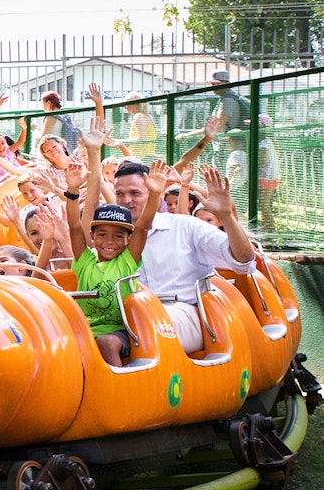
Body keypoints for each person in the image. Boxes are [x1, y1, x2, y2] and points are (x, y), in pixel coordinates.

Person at [112, 157, 255, 355]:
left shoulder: (185, 226)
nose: (127, 201)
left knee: (146, 320)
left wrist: (226, 216)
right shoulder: (111, 238)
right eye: (120, 194)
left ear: (154, 192)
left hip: (183, 314)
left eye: (135, 193)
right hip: (127, 316)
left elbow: (243, 262)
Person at [62, 119, 166, 366]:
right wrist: (72, 191)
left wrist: (154, 193)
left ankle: (120, 385)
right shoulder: (85, 260)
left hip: (123, 333)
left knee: (106, 343)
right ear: (93, 236)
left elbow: (143, 225)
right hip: (84, 330)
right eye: (102, 235)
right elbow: (74, 225)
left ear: (128, 239)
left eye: (118, 236)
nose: (109, 242)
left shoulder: (127, 261)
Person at [118, 92, 159, 159]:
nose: (126, 107)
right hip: (149, 156)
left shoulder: (138, 116)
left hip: (139, 157)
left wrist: (119, 141)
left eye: (127, 104)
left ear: (134, 104)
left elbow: (141, 139)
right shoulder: (148, 117)